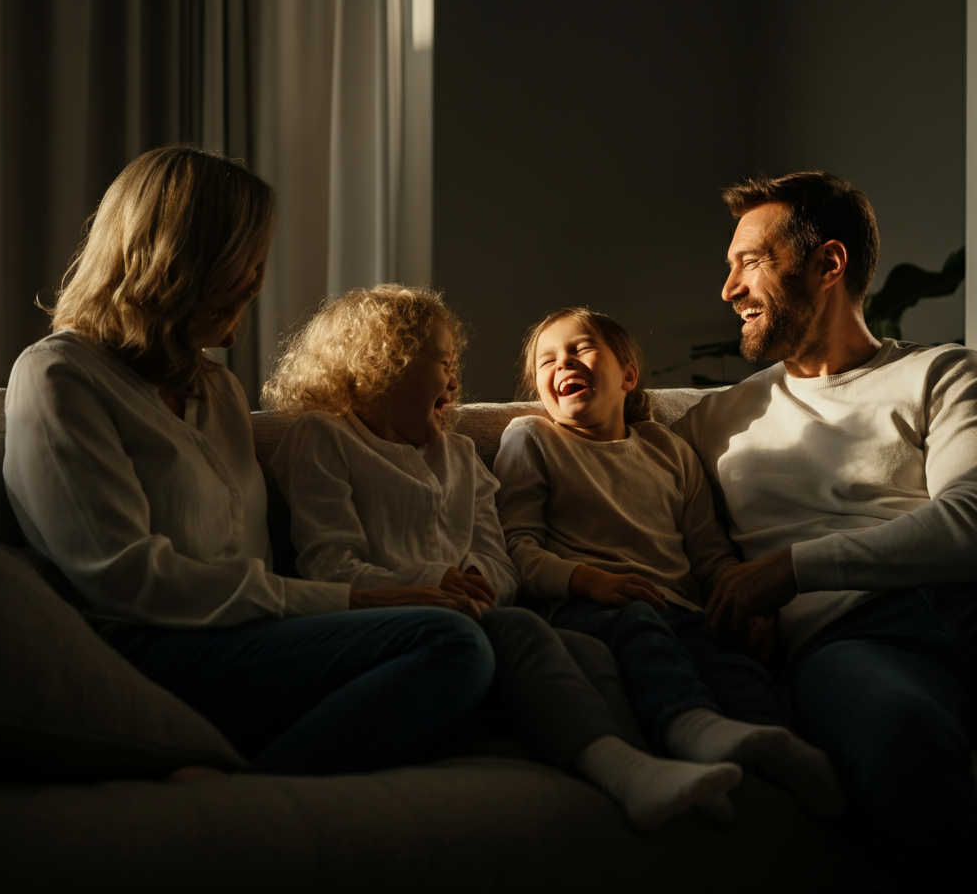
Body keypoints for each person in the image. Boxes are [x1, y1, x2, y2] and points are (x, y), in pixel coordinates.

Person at [2, 145, 495, 777]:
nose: (259, 280)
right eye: (248, 261)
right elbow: (124, 577)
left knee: (492, 640)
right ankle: (248, 797)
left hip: (254, 638)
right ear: (183, 259)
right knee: (449, 646)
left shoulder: (219, 392)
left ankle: (241, 769)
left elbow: (253, 559)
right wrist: (352, 601)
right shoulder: (59, 376)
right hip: (153, 647)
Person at [262, 284, 743, 831]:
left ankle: (652, 768)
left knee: (587, 651)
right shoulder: (322, 439)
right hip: (383, 619)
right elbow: (330, 565)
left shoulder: (462, 455)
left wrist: (475, 579)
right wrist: (436, 580)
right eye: (442, 363)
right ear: (382, 364)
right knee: (521, 630)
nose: (453, 380)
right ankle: (621, 770)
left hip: (476, 615)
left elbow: (499, 559)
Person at [671, 170, 977, 887]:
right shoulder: (712, 422)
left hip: (963, 602)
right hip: (851, 641)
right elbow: (599, 465)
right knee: (900, 733)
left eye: (749, 262)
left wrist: (791, 568)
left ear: (828, 265)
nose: (728, 290)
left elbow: (969, 521)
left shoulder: (943, 373)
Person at [493, 307, 845, 820]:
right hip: (588, 606)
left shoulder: (668, 448)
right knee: (642, 630)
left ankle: (773, 746)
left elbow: (708, 552)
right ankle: (692, 727)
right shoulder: (532, 439)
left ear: (628, 375)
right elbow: (517, 548)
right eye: (546, 360)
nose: (562, 362)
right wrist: (589, 581)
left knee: (733, 659)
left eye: (581, 348)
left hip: (682, 608)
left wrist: (744, 601)